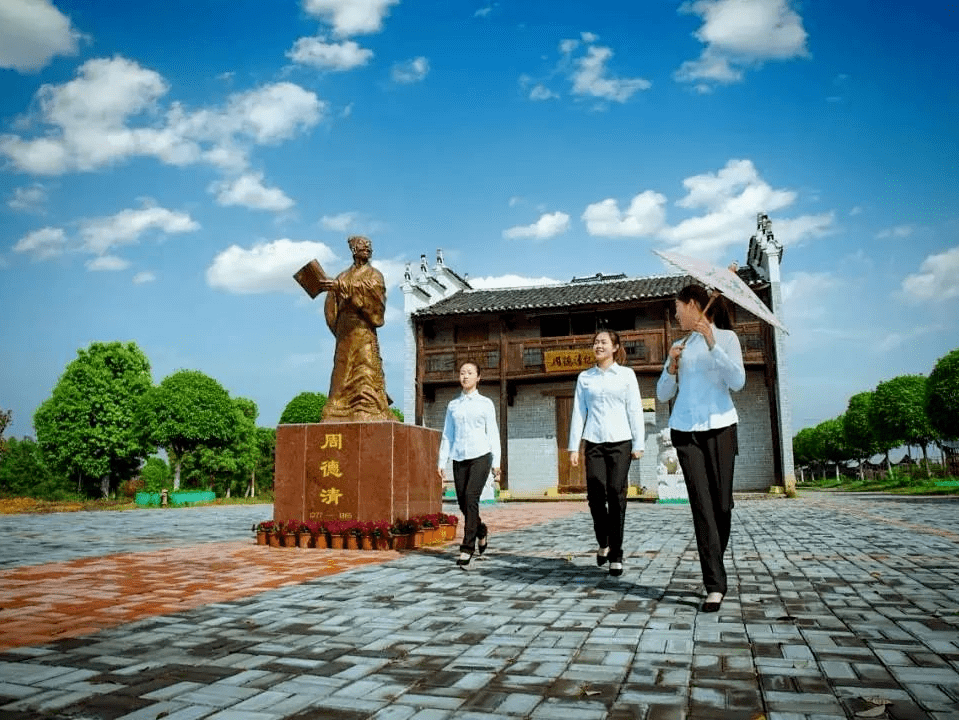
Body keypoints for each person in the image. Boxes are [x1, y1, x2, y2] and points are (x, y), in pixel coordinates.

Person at [656, 284, 745, 613]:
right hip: (685, 431)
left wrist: (712, 343)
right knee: (703, 508)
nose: (675, 313)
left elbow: (738, 382)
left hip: (721, 427)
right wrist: (670, 366)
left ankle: (714, 566)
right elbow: (664, 394)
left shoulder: (727, 339)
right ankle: (714, 583)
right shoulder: (678, 346)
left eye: (677, 307)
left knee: (721, 505)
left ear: (693, 305)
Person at [568, 330, 645, 577]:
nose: (598, 345)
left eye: (603, 342)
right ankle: (603, 541)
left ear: (615, 347)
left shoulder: (626, 375)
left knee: (616, 493)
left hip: (621, 442)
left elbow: (634, 409)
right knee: (595, 494)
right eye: (595, 342)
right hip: (594, 442)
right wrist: (573, 447)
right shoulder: (585, 378)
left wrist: (638, 443)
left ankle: (617, 554)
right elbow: (579, 412)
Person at [315, 235, 396, 422]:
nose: (366, 248)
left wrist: (343, 288)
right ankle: (337, 408)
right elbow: (331, 309)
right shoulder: (342, 276)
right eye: (362, 246)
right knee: (341, 368)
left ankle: (368, 407)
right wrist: (339, 328)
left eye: (369, 247)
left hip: (363, 330)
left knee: (366, 367)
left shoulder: (374, 275)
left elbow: (375, 294)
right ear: (353, 250)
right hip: (345, 332)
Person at [437, 361, 502, 568]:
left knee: (472, 498)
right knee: (463, 502)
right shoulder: (453, 405)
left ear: (478, 377)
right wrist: (442, 461)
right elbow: (448, 435)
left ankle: (467, 548)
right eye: (462, 373)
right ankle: (481, 530)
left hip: (481, 455)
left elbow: (493, 433)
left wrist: (497, 462)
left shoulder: (485, 403)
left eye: (470, 373)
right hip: (459, 457)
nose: (465, 376)